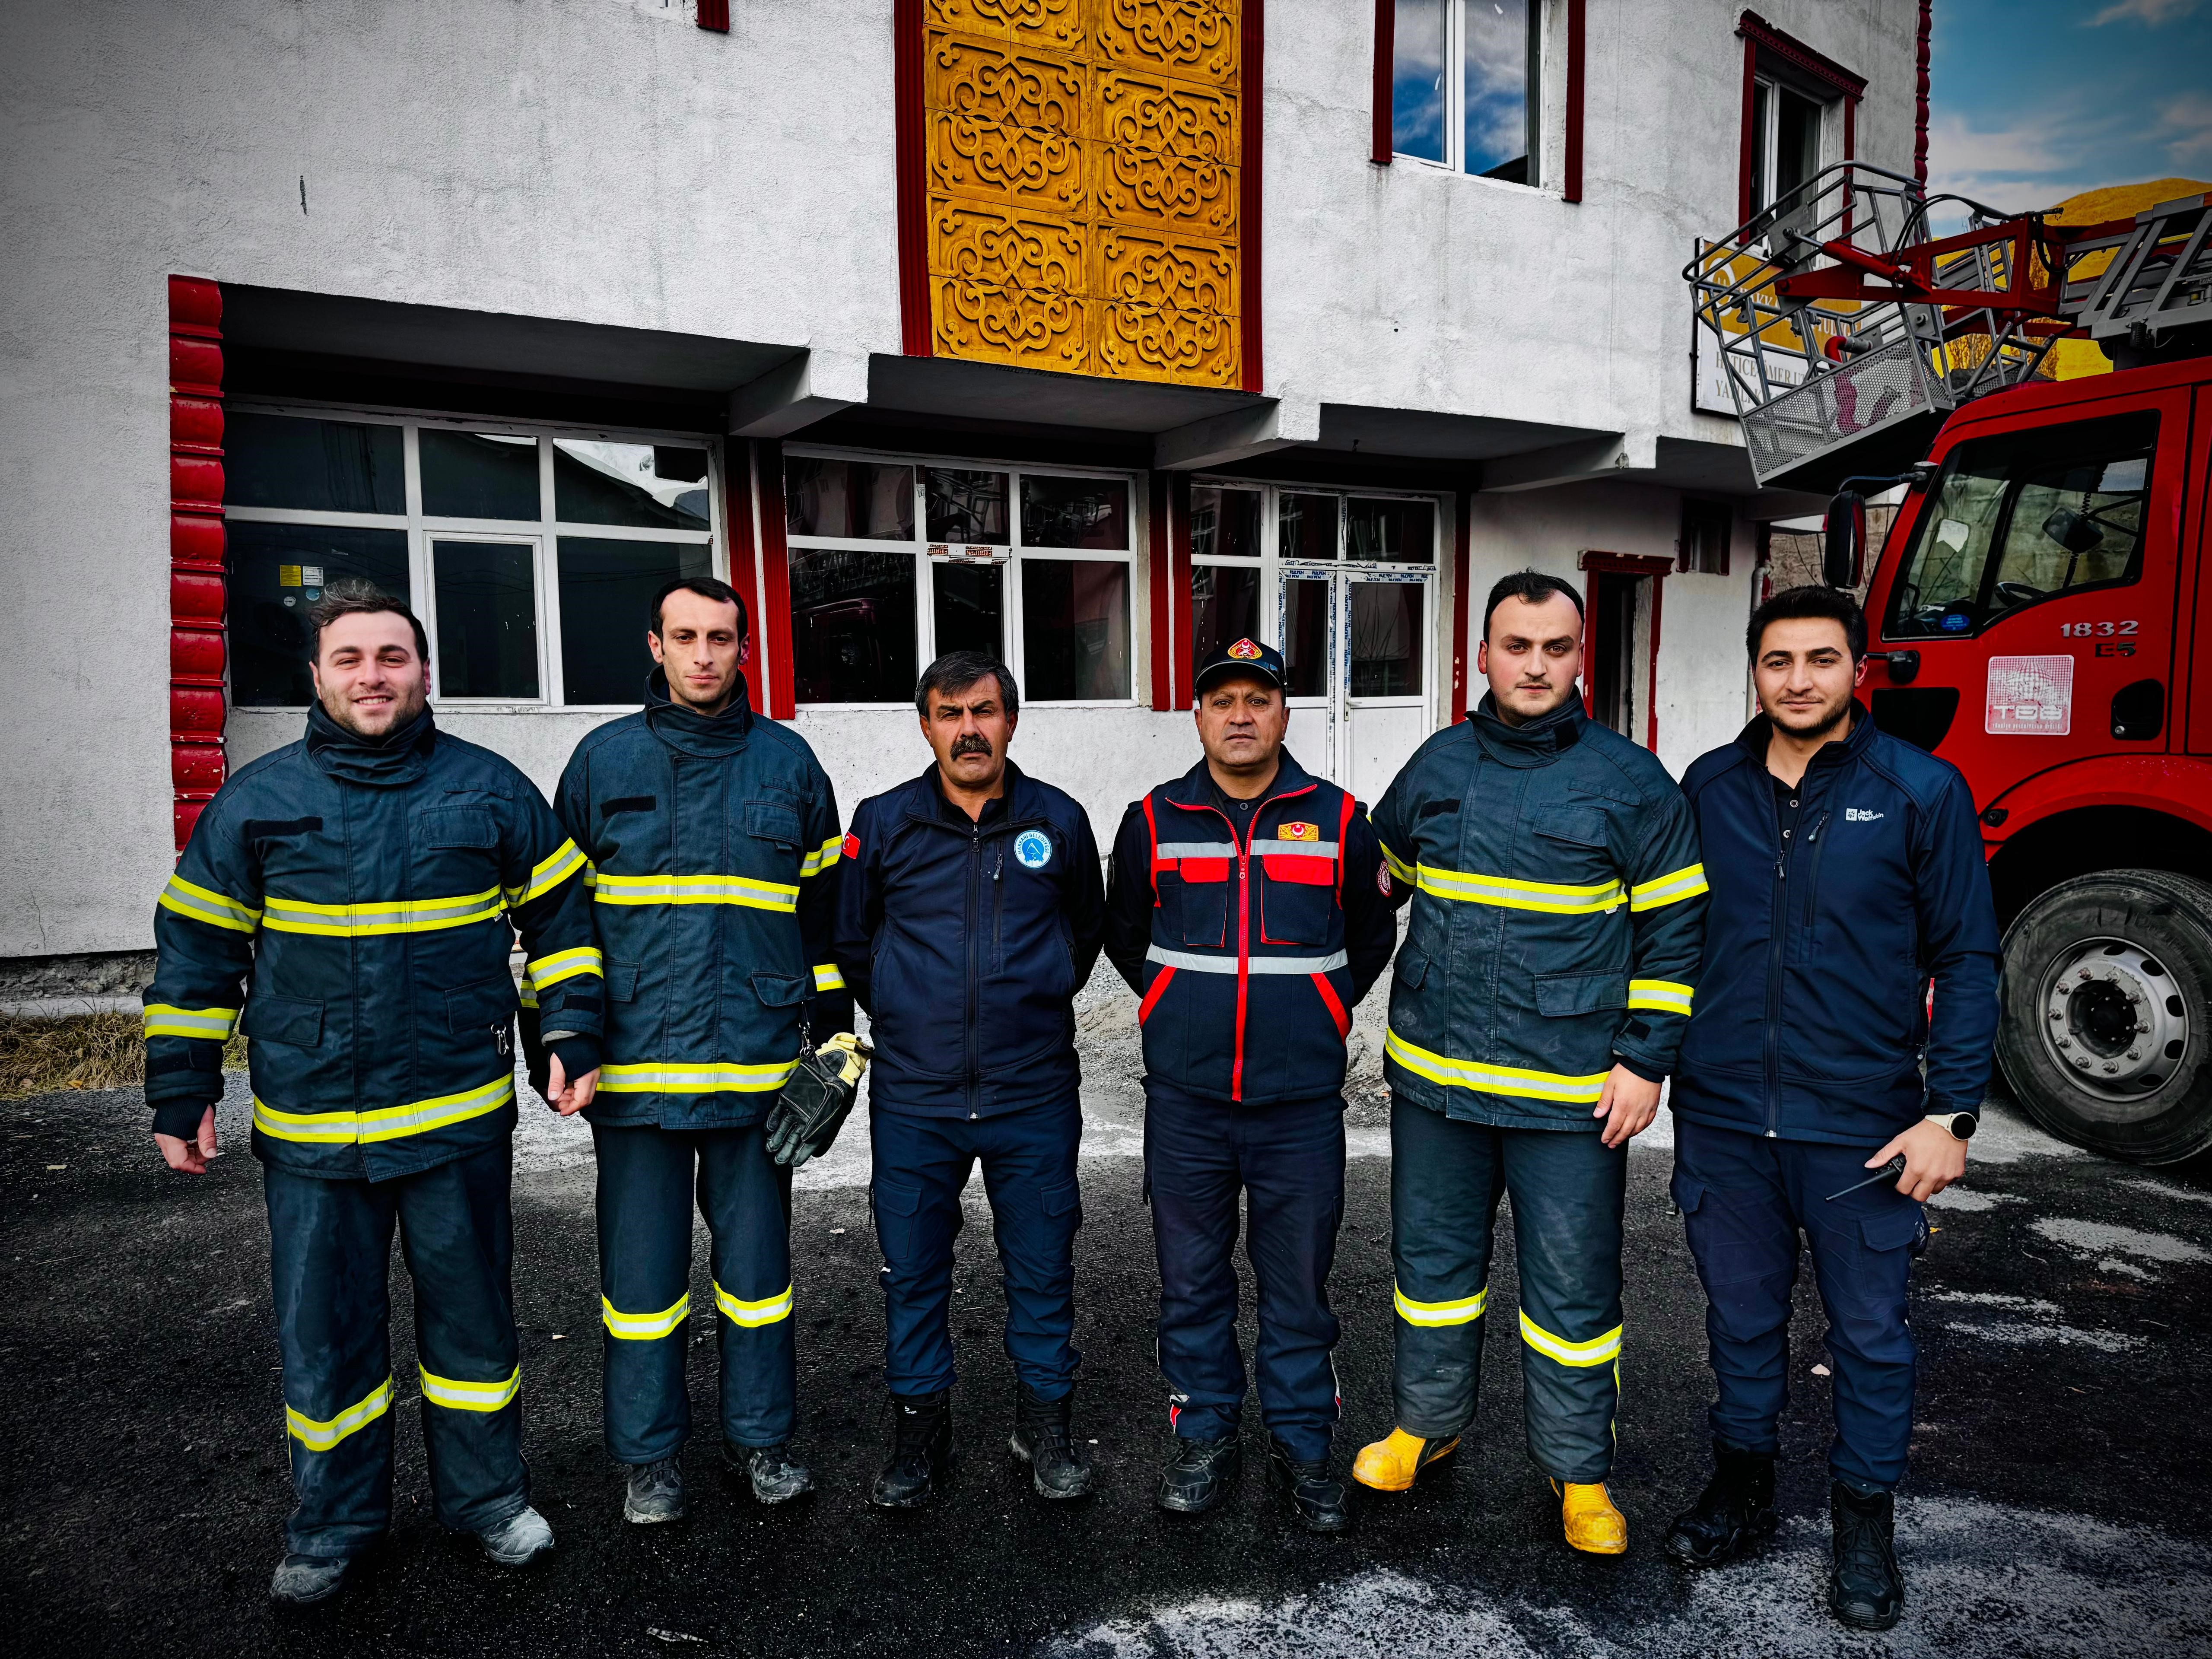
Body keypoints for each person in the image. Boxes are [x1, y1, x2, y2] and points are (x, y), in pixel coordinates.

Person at [143, 582, 602, 1605]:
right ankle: (332, 1525)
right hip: (314, 1132)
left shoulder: (489, 790)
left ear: (423, 671)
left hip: (453, 1122)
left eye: (392, 657)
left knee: (473, 1330)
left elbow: (563, 921)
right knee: (327, 1339)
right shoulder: (255, 802)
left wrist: (569, 1032)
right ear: (316, 676)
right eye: (349, 659)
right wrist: (181, 1087)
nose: (372, 676)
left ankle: (488, 1501)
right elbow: (197, 955)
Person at [1665, 585, 1999, 1631]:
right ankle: (1742, 1487)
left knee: (1868, 1335)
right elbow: (1666, 937)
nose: (1798, 680)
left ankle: (1862, 1520)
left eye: (1821, 659)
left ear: (1858, 668)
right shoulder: (1708, 786)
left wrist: (1950, 1114)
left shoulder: (1920, 790)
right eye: (1778, 661)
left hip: (1862, 1125)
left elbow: (1968, 957)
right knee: (1741, 1322)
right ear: (1754, 672)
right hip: (1725, 1116)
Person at [1355, 570, 1708, 1556]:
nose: (1536, 666)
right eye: (1517, 646)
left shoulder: (1632, 782)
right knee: (1431, 1275)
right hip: (1437, 1082)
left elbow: (1677, 933)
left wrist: (1646, 1062)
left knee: (1573, 1299)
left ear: (1579, 656)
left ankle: (1579, 1472)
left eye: (1556, 648)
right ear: (1482, 655)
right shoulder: (1436, 764)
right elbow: (1383, 875)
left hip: (1572, 1095)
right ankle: (1426, 1426)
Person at [523, 576, 849, 1526]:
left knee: (759, 1282)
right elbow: (558, 920)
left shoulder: (789, 764)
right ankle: (650, 1458)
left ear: (745, 649)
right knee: (641, 1288)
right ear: (655, 646)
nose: (704, 654)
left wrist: (835, 1046)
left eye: (721, 638)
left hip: (756, 1078)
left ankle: (762, 1441)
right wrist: (560, 1037)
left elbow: (823, 921)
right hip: (634, 1079)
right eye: (686, 637)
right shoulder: (602, 761)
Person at [1103, 638, 1396, 1534]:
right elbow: (1124, 935)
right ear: (1198, 717)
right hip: (1186, 1105)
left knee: (1299, 1286)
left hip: (1297, 1108)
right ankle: (1203, 1434)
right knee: (1191, 1284)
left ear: (1283, 714)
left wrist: (1317, 1006)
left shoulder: (1341, 820)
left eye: (1257, 700)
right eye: (1223, 701)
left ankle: (1303, 1442)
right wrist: (1173, 1002)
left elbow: (1369, 936)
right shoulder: (1152, 819)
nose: (1240, 716)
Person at [831, 651, 1105, 1507]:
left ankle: (1045, 1428)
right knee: (912, 1271)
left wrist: (1035, 990)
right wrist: (907, 1009)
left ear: (1011, 721)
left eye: (984, 712)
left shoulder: (1059, 820)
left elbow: (1084, 932)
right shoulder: (883, 823)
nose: (969, 730)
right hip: (917, 1095)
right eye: (949, 714)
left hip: (1033, 1090)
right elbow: (852, 940)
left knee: (1042, 1267)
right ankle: (920, 1433)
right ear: (925, 727)